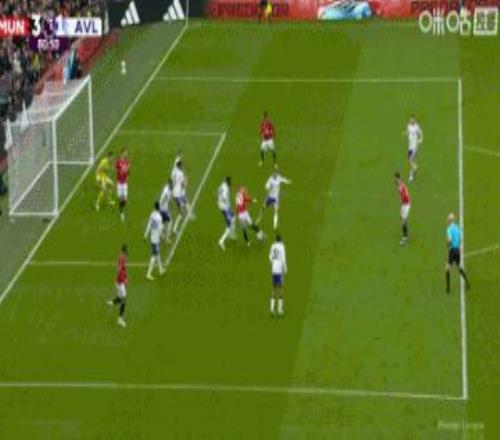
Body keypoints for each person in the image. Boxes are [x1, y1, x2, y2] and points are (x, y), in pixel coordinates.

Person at [446, 213, 471, 293]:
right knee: (459, 266)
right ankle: (467, 282)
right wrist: (460, 247)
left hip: (452, 250)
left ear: (450, 220)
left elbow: (450, 240)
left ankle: (448, 287)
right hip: (458, 250)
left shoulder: (449, 229)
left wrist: (448, 245)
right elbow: (461, 239)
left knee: (447, 268)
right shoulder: (458, 228)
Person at [107, 244, 128, 328]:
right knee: (124, 299)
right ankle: (120, 319)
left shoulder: (122, 258)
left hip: (120, 282)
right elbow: (119, 271)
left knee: (120, 297)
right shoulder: (122, 259)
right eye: (126, 252)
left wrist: (125, 277)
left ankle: (112, 303)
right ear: (124, 251)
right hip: (120, 283)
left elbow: (123, 270)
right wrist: (124, 280)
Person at [144, 201, 164, 281]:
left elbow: (149, 225)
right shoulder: (159, 217)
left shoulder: (152, 214)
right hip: (156, 239)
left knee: (157, 254)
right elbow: (160, 229)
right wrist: (162, 237)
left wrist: (145, 235)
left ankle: (161, 270)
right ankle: (148, 274)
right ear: (159, 207)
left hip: (152, 237)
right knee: (154, 255)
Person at [269, 234, 287, 316]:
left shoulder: (273, 246)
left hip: (273, 270)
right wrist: (285, 268)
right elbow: (283, 258)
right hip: (279, 270)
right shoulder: (282, 247)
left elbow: (270, 257)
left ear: (276, 239)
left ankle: (272, 309)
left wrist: (274, 263)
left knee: (273, 289)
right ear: (281, 240)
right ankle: (279, 310)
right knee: (280, 289)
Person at [218, 176, 236, 251]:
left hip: (222, 206)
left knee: (234, 217)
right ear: (228, 182)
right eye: (230, 182)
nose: (231, 183)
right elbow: (224, 197)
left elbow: (219, 192)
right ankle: (221, 241)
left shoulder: (222, 185)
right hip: (225, 208)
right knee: (229, 225)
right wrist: (227, 204)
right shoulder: (226, 188)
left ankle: (232, 235)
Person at [404, 115, 423, 182]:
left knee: (411, 160)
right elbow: (407, 132)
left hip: (414, 146)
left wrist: (420, 139)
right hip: (410, 146)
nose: (411, 120)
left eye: (413, 119)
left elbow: (420, 132)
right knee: (409, 160)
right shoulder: (408, 126)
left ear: (415, 120)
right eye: (411, 119)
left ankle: (411, 175)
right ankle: (414, 167)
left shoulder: (417, 126)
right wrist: (405, 133)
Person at [394, 172, 410, 245]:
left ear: (399, 178)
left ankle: (405, 238)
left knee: (403, 221)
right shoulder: (398, 185)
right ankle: (406, 234)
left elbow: (405, 195)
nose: (395, 181)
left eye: (396, 179)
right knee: (403, 220)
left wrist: (402, 201)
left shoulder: (402, 186)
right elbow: (400, 195)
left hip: (406, 204)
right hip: (403, 204)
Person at [115, 148, 130, 222]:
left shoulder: (127, 162)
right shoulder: (118, 161)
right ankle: (121, 213)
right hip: (119, 183)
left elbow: (128, 172)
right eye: (125, 152)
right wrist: (121, 171)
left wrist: (127, 171)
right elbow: (116, 169)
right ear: (122, 153)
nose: (126, 154)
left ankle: (121, 209)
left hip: (124, 183)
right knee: (120, 199)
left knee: (125, 200)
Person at [159, 178, 173, 244]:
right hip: (163, 209)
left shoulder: (168, 188)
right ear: (169, 183)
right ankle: (166, 239)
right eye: (172, 184)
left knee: (163, 223)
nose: (172, 185)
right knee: (169, 222)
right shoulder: (166, 191)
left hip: (162, 209)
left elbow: (168, 198)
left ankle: (161, 236)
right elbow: (164, 198)